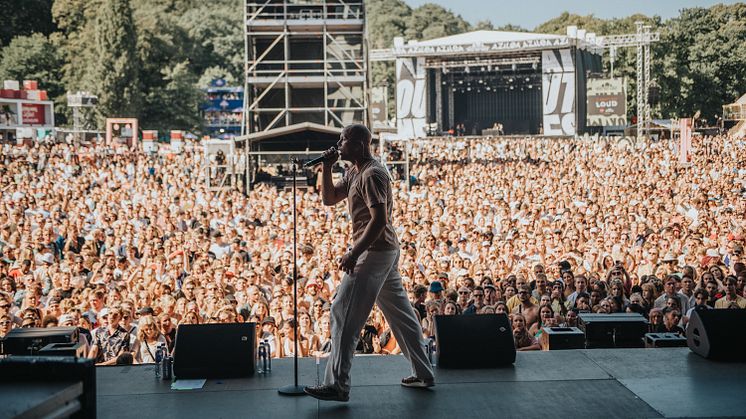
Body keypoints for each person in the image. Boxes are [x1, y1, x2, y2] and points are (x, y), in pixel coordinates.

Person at [304, 124, 434, 402]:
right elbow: (329, 199)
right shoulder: (354, 171)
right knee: (400, 313)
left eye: (344, 140)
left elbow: (379, 221)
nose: (339, 143)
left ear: (361, 144)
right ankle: (424, 372)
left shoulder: (373, 173)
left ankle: (337, 384)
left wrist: (354, 253)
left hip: (374, 251)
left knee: (343, 312)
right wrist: (326, 168)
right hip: (383, 249)